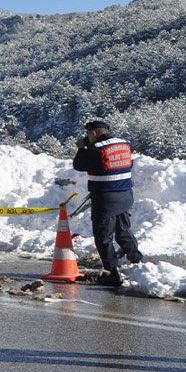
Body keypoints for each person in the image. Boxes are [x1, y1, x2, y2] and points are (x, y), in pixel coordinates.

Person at [72, 120, 143, 287]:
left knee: (103, 236)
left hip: (105, 198)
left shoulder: (97, 149)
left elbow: (79, 165)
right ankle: (136, 259)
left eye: (89, 134)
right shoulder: (123, 144)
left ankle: (112, 272)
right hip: (125, 195)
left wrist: (82, 148)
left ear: (94, 133)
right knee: (123, 229)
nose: (88, 137)